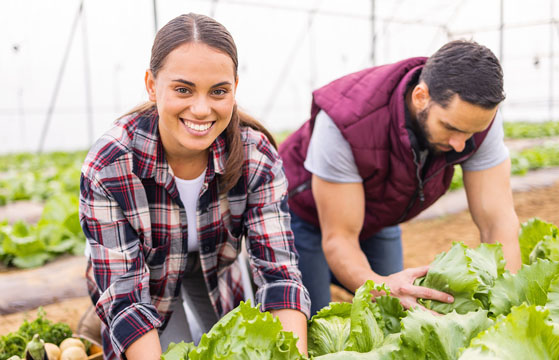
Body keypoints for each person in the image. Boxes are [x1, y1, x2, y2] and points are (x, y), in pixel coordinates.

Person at [79, 13, 309, 360]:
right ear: (152, 85)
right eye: (183, 89)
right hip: (140, 272)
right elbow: (127, 300)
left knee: (223, 348)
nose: (201, 109)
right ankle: (94, 320)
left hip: (213, 265)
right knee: (171, 350)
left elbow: (279, 273)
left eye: (218, 91)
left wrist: (295, 356)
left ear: (234, 88)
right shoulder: (110, 165)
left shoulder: (254, 155)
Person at [279, 40, 522, 315]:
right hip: (302, 215)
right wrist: (379, 286)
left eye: (472, 132)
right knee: (314, 316)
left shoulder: (474, 120)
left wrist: (507, 306)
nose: (460, 144)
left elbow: (498, 223)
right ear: (421, 97)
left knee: (395, 311)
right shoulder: (346, 121)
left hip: (378, 212)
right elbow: (340, 239)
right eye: (450, 128)